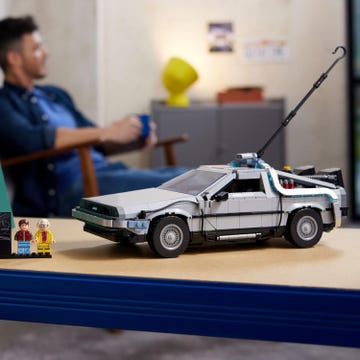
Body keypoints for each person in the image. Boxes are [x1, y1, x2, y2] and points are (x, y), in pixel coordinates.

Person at [0, 15, 186, 217]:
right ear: (14, 58)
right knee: (183, 184)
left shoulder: (55, 95)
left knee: (189, 177)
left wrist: (133, 139)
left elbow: (98, 141)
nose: (46, 53)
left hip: (107, 173)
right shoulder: (5, 103)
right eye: (36, 48)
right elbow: (31, 138)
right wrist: (110, 131)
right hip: (69, 189)